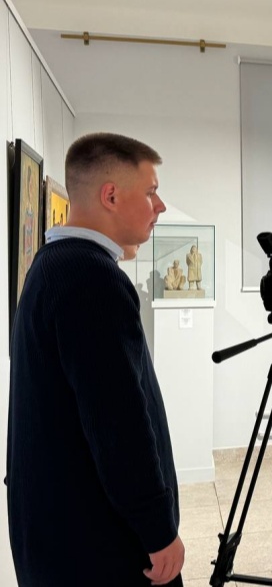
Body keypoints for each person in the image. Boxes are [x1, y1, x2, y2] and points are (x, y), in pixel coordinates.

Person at [7, 133, 185, 586]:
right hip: (99, 547)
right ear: (111, 196)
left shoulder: (51, 263)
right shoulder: (91, 278)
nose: (160, 206)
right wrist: (158, 529)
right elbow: (117, 423)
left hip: (63, 536)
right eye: (150, 191)